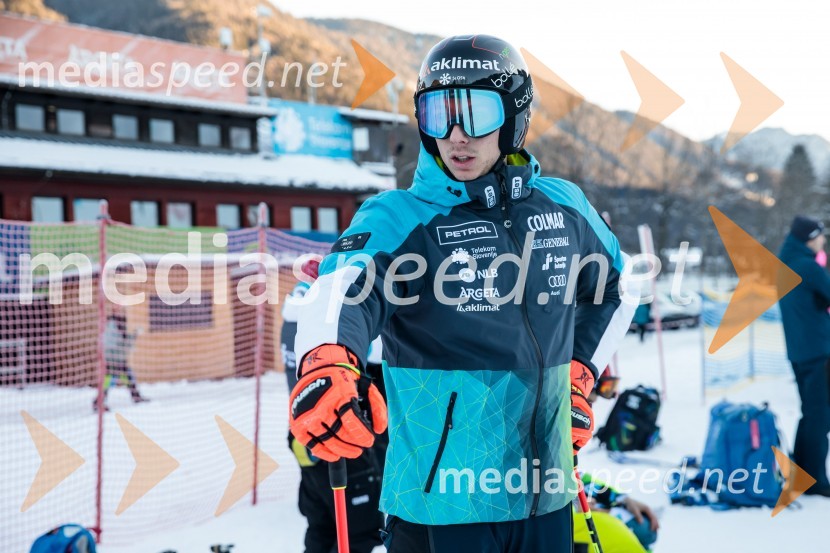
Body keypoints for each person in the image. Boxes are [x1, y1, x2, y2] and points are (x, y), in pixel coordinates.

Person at [288, 35, 635, 553]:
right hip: (443, 504)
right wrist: (326, 361)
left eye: (474, 113)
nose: (455, 136)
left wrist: (581, 376)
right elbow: (343, 287)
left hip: (547, 494)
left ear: (515, 115)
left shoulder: (564, 207)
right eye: (436, 115)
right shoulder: (399, 217)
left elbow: (617, 288)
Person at [281, 259, 387, 553]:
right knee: (360, 533)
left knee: (321, 529)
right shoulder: (334, 323)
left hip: (308, 436)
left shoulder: (297, 324)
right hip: (346, 434)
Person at [777, 215, 830, 497]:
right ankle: (816, 480)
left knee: (811, 413)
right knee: (820, 417)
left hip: (799, 351)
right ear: (810, 237)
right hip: (819, 351)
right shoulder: (808, 266)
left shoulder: (786, 263)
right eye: (821, 236)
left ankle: (801, 472)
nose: (823, 241)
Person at [93, 304, 147, 412]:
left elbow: (123, 341)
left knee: (127, 377)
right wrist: (134, 335)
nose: (120, 310)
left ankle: (136, 397)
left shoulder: (118, 322)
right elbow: (120, 343)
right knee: (110, 380)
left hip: (117, 358)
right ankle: (98, 402)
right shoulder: (113, 324)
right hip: (114, 359)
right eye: (117, 309)